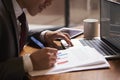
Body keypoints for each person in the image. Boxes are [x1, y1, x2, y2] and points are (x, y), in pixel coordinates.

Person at [0, 0, 73, 80]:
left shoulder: (15, 9)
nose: (49, 3)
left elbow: (16, 33)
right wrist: (29, 63)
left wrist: (44, 36)